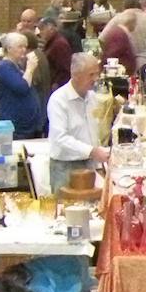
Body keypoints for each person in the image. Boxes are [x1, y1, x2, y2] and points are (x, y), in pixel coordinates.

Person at [46, 53, 110, 192]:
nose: (96, 79)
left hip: (89, 164)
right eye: (91, 75)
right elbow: (59, 138)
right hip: (65, 168)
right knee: (65, 205)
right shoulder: (58, 100)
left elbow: (94, 131)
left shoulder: (92, 98)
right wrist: (91, 151)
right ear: (76, 75)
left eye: (97, 74)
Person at [0, 32, 44, 139]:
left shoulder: (17, 66)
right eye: (20, 47)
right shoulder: (5, 67)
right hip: (16, 126)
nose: (24, 50)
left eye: (25, 46)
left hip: (26, 126)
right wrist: (30, 69)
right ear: (9, 48)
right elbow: (22, 88)